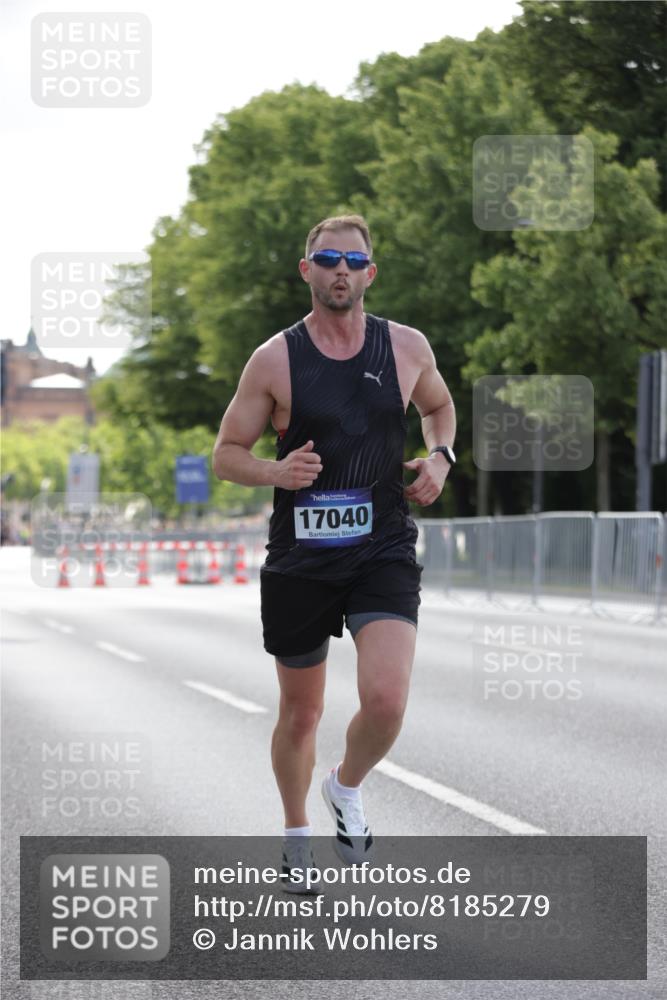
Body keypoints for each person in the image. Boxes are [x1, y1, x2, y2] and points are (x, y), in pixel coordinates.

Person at [212, 214, 456, 891]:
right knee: (303, 712)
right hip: (301, 559)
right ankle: (295, 838)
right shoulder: (273, 360)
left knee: (384, 699)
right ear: (307, 271)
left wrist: (441, 455)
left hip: (381, 548)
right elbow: (226, 455)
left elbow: (439, 407)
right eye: (326, 258)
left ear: (370, 273)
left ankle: (344, 786)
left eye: (352, 260)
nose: (339, 270)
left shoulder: (405, 348)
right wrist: (274, 473)